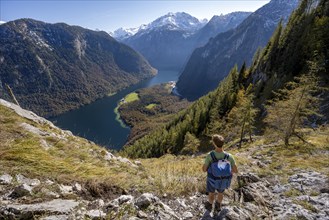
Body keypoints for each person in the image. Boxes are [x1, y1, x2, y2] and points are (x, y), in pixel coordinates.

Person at [202, 134, 238, 212]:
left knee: (211, 193)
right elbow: (235, 170)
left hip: (212, 179)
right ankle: (218, 205)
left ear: (214, 144)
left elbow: (204, 169)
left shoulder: (210, 155)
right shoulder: (229, 156)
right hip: (223, 180)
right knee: (220, 193)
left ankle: (210, 205)